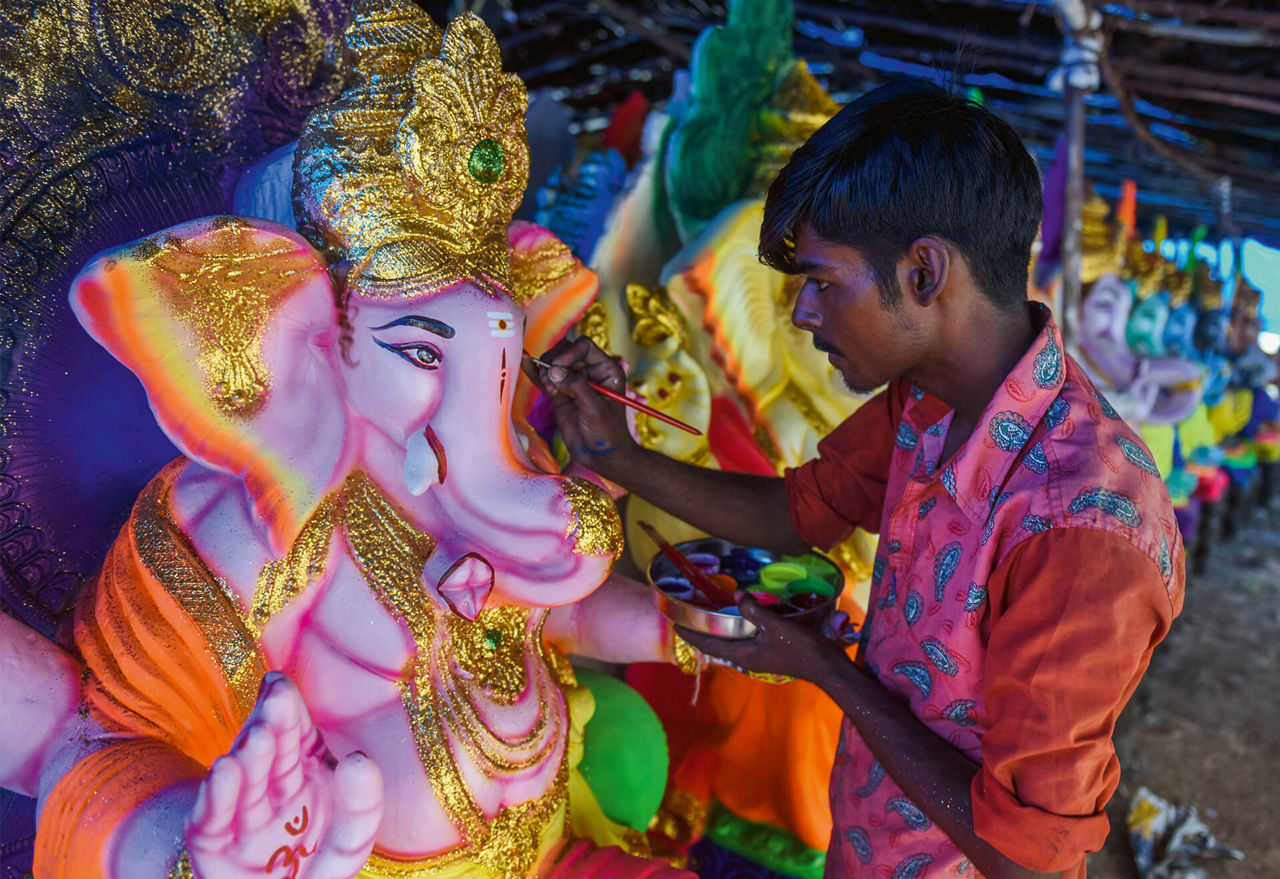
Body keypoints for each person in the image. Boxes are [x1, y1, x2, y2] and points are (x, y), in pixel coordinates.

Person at [529, 80, 1184, 879]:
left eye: (823, 281)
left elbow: (1026, 856)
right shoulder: (930, 402)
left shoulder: (1083, 527)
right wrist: (616, 456)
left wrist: (826, 667)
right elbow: (804, 509)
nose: (804, 313)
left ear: (924, 272)